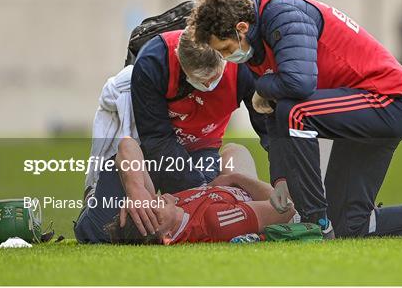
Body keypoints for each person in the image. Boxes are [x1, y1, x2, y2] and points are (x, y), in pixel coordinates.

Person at [186, 0, 402, 238]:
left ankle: (314, 221)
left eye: (226, 48)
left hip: (386, 101)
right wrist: (281, 179)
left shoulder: (283, 13)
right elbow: (274, 115)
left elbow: (298, 84)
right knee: (350, 225)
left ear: (242, 27)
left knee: (294, 110)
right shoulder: (258, 39)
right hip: (358, 108)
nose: (228, 57)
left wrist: (263, 87)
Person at [74, 29, 268, 243]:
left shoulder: (243, 68)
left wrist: (284, 180)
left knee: (102, 233)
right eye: (200, 79)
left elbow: (270, 128)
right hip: (150, 143)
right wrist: (139, 190)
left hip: (198, 146)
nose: (206, 85)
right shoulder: (154, 62)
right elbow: (152, 142)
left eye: (212, 78)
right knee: (98, 231)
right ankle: (97, 193)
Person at [105, 138, 296, 245]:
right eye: (154, 211)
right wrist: (235, 178)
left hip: (223, 189)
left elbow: (127, 144)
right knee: (236, 152)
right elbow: (286, 209)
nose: (154, 200)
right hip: (251, 195)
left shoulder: (170, 205)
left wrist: (136, 190)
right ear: (168, 236)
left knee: (231, 150)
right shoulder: (214, 221)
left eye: (146, 204)